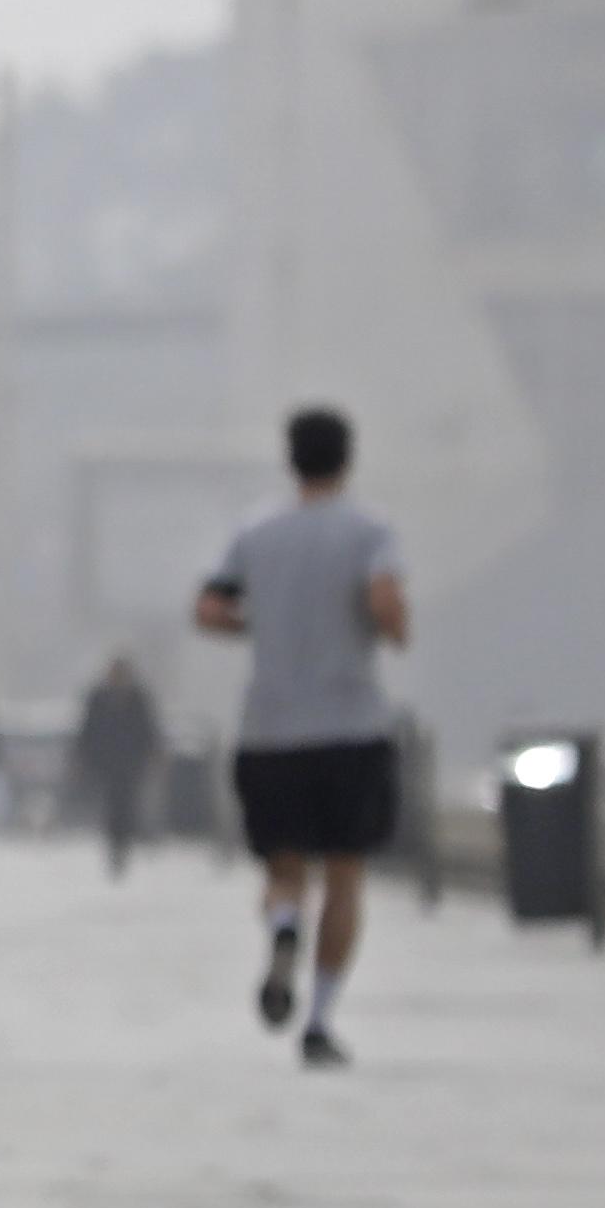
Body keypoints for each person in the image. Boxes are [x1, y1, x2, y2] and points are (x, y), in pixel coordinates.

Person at [194, 405, 409, 1069]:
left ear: (291, 459)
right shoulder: (371, 529)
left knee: (284, 867)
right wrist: (390, 629)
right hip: (350, 727)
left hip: (271, 730)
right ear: (347, 458)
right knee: (344, 875)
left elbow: (209, 607)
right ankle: (317, 1018)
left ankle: (283, 925)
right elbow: (384, 605)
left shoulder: (256, 530)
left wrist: (262, 627)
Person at [70, 654, 161, 876]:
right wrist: (81, 757)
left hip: (131, 762)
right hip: (106, 762)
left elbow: (148, 731)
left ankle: (124, 843)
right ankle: (115, 844)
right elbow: (87, 730)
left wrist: (153, 754)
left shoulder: (138, 699)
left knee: (126, 804)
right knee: (112, 805)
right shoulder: (98, 698)